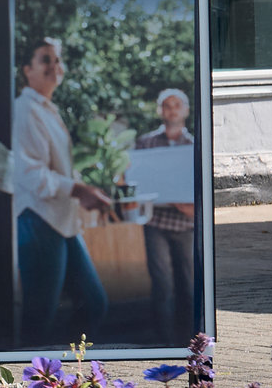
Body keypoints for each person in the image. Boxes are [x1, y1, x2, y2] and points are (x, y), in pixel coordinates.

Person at [12, 37, 115, 330]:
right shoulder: (24, 109)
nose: (54, 66)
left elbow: (57, 169)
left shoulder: (46, 109)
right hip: (39, 222)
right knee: (39, 318)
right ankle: (39, 372)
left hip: (61, 223)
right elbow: (30, 173)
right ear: (27, 70)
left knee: (94, 304)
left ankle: (66, 369)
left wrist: (88, 190)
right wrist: (79, 190)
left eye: (57, 60)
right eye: (45, 59)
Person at [133, 88, 198, 332]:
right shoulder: (145, 143)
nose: (172, 110)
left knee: (189, 284)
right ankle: (164, 339)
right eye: (167, 105)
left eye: (177, 105)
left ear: (186, 111)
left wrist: (194, 208)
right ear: (160, 110)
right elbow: (138, 181)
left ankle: (190, 340)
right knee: (162, 285)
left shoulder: (193, 145)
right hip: (156, 222)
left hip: (186, 224)